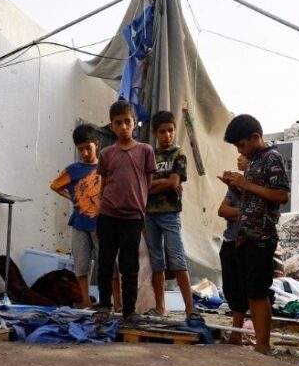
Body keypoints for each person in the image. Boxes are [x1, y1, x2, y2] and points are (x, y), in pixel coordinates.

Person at [219, 114, 291, 355]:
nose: (241, 151)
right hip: (246, 235)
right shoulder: (254, 161)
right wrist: (235, 185)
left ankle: (263, 346)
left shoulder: (272, 157)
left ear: (255, 137)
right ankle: (255, 343)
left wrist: (246, 184)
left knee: (258, 292)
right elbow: (253, 197)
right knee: (250, 291)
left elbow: (281, 195)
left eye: (242, 145)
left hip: (261, 235)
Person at [94, 100, 156, 321]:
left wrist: (141, 210)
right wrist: (103, 205)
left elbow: (147, 183)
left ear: (134, 123)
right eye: (118, 123)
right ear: (112, 126)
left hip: (133, 217)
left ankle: (129, 310)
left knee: (130, 265)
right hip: (108, 215)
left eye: (127, 121)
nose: (123, 127)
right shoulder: (106, 154)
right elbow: (103, 184)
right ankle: (103, 305)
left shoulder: (145, 151)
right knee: (105, 262)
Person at [144, 111, 195, 316]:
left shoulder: (178, 154)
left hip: (170, 213)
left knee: (177, 258)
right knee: (157, 262)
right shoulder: (150, 155)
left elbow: (174, 182)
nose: (167, 135)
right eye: (162, 131)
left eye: (170, 130)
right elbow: (143, 185)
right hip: (149, 214)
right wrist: (162, 184)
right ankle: (160, 307)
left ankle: (190, 308)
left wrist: (154, 185)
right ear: (155, 132)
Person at [50, 125, 103, 308]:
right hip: (80, 222)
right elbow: (55, 185)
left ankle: (111, 301)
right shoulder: (73, 169)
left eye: (88, 147)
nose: (85, 152)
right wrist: (73, 197)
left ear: (97, 144)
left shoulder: (105, 166)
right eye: (81, 149)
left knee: (108, 264)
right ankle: (86, 301)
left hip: (101, 223)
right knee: (82, 264)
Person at [218, 153, 250, 345]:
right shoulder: (234, 188)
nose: (238, 158)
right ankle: (236, 333)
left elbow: (260, 209)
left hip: (248, 242)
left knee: (247, 289)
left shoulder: (256, 185)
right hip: (230, 240)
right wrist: (245, 213)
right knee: (230, 287)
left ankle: (238, 334)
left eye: (243, 155)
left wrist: (237, 213)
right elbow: (222, 210)